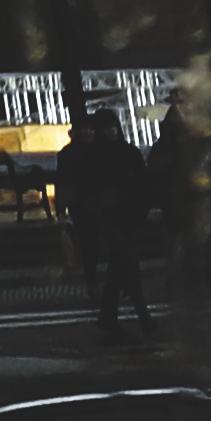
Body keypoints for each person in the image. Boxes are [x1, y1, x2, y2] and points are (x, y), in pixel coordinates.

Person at [60, 107, 156, 339]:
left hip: (121, 216)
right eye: (106, 127)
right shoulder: (117, 154)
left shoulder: (99, 156)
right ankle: (142, 315)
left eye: (112, 126)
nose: (110, 131)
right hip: (115, 217)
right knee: (127, 263)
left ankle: (109, 315)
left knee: (119, 266)